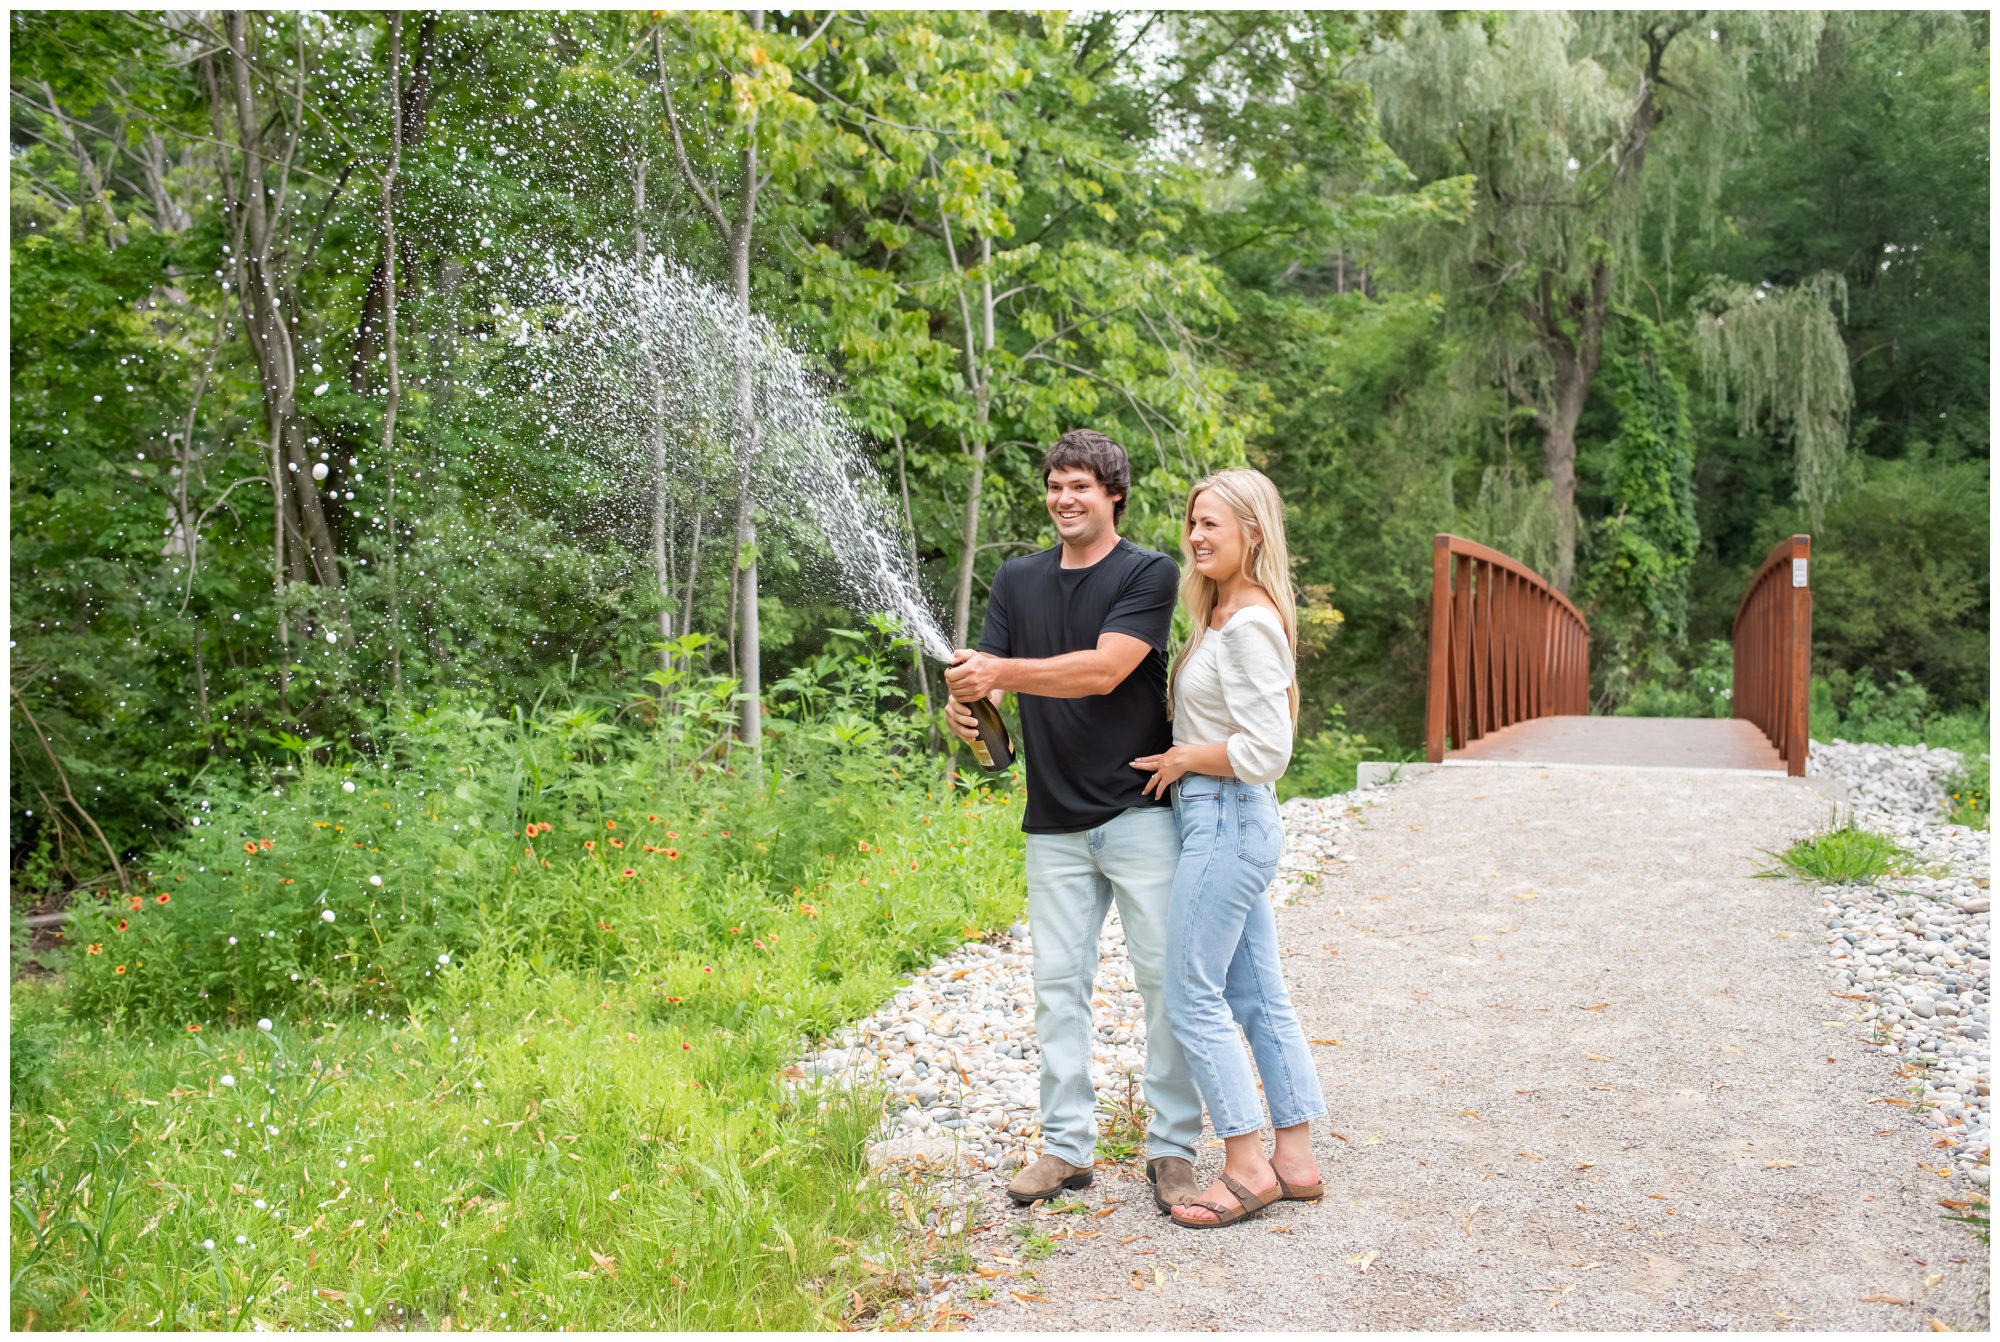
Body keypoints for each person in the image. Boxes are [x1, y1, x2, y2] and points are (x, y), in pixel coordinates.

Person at [943, 428, 1206, 1214]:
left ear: (1113, 495)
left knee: (1166, 983)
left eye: (1081, 486)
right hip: (1052, 821)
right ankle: (1066, 1148)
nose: (1064, 499)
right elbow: (987, 690)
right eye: (1055, 485)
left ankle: (1172, 1148)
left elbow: (1104, 669)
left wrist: (1000, 673)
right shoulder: (1017, 580)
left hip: (1139, 810)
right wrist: (967, 709)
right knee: (1058, 986)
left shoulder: (1148, 572)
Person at [1130, 467, 1326, 1229]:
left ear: (1254, 532)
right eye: (1192, 522)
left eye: (1213, 523)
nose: (1197, 535)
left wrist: (1183, 760)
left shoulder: (1248, 624)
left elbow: (1268, 749)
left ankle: (1247, 1167)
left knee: (1190, 991)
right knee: (1255, 993)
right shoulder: (1225, 613)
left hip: (1227, 816)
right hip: (1227, 818)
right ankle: (1297, 1158)